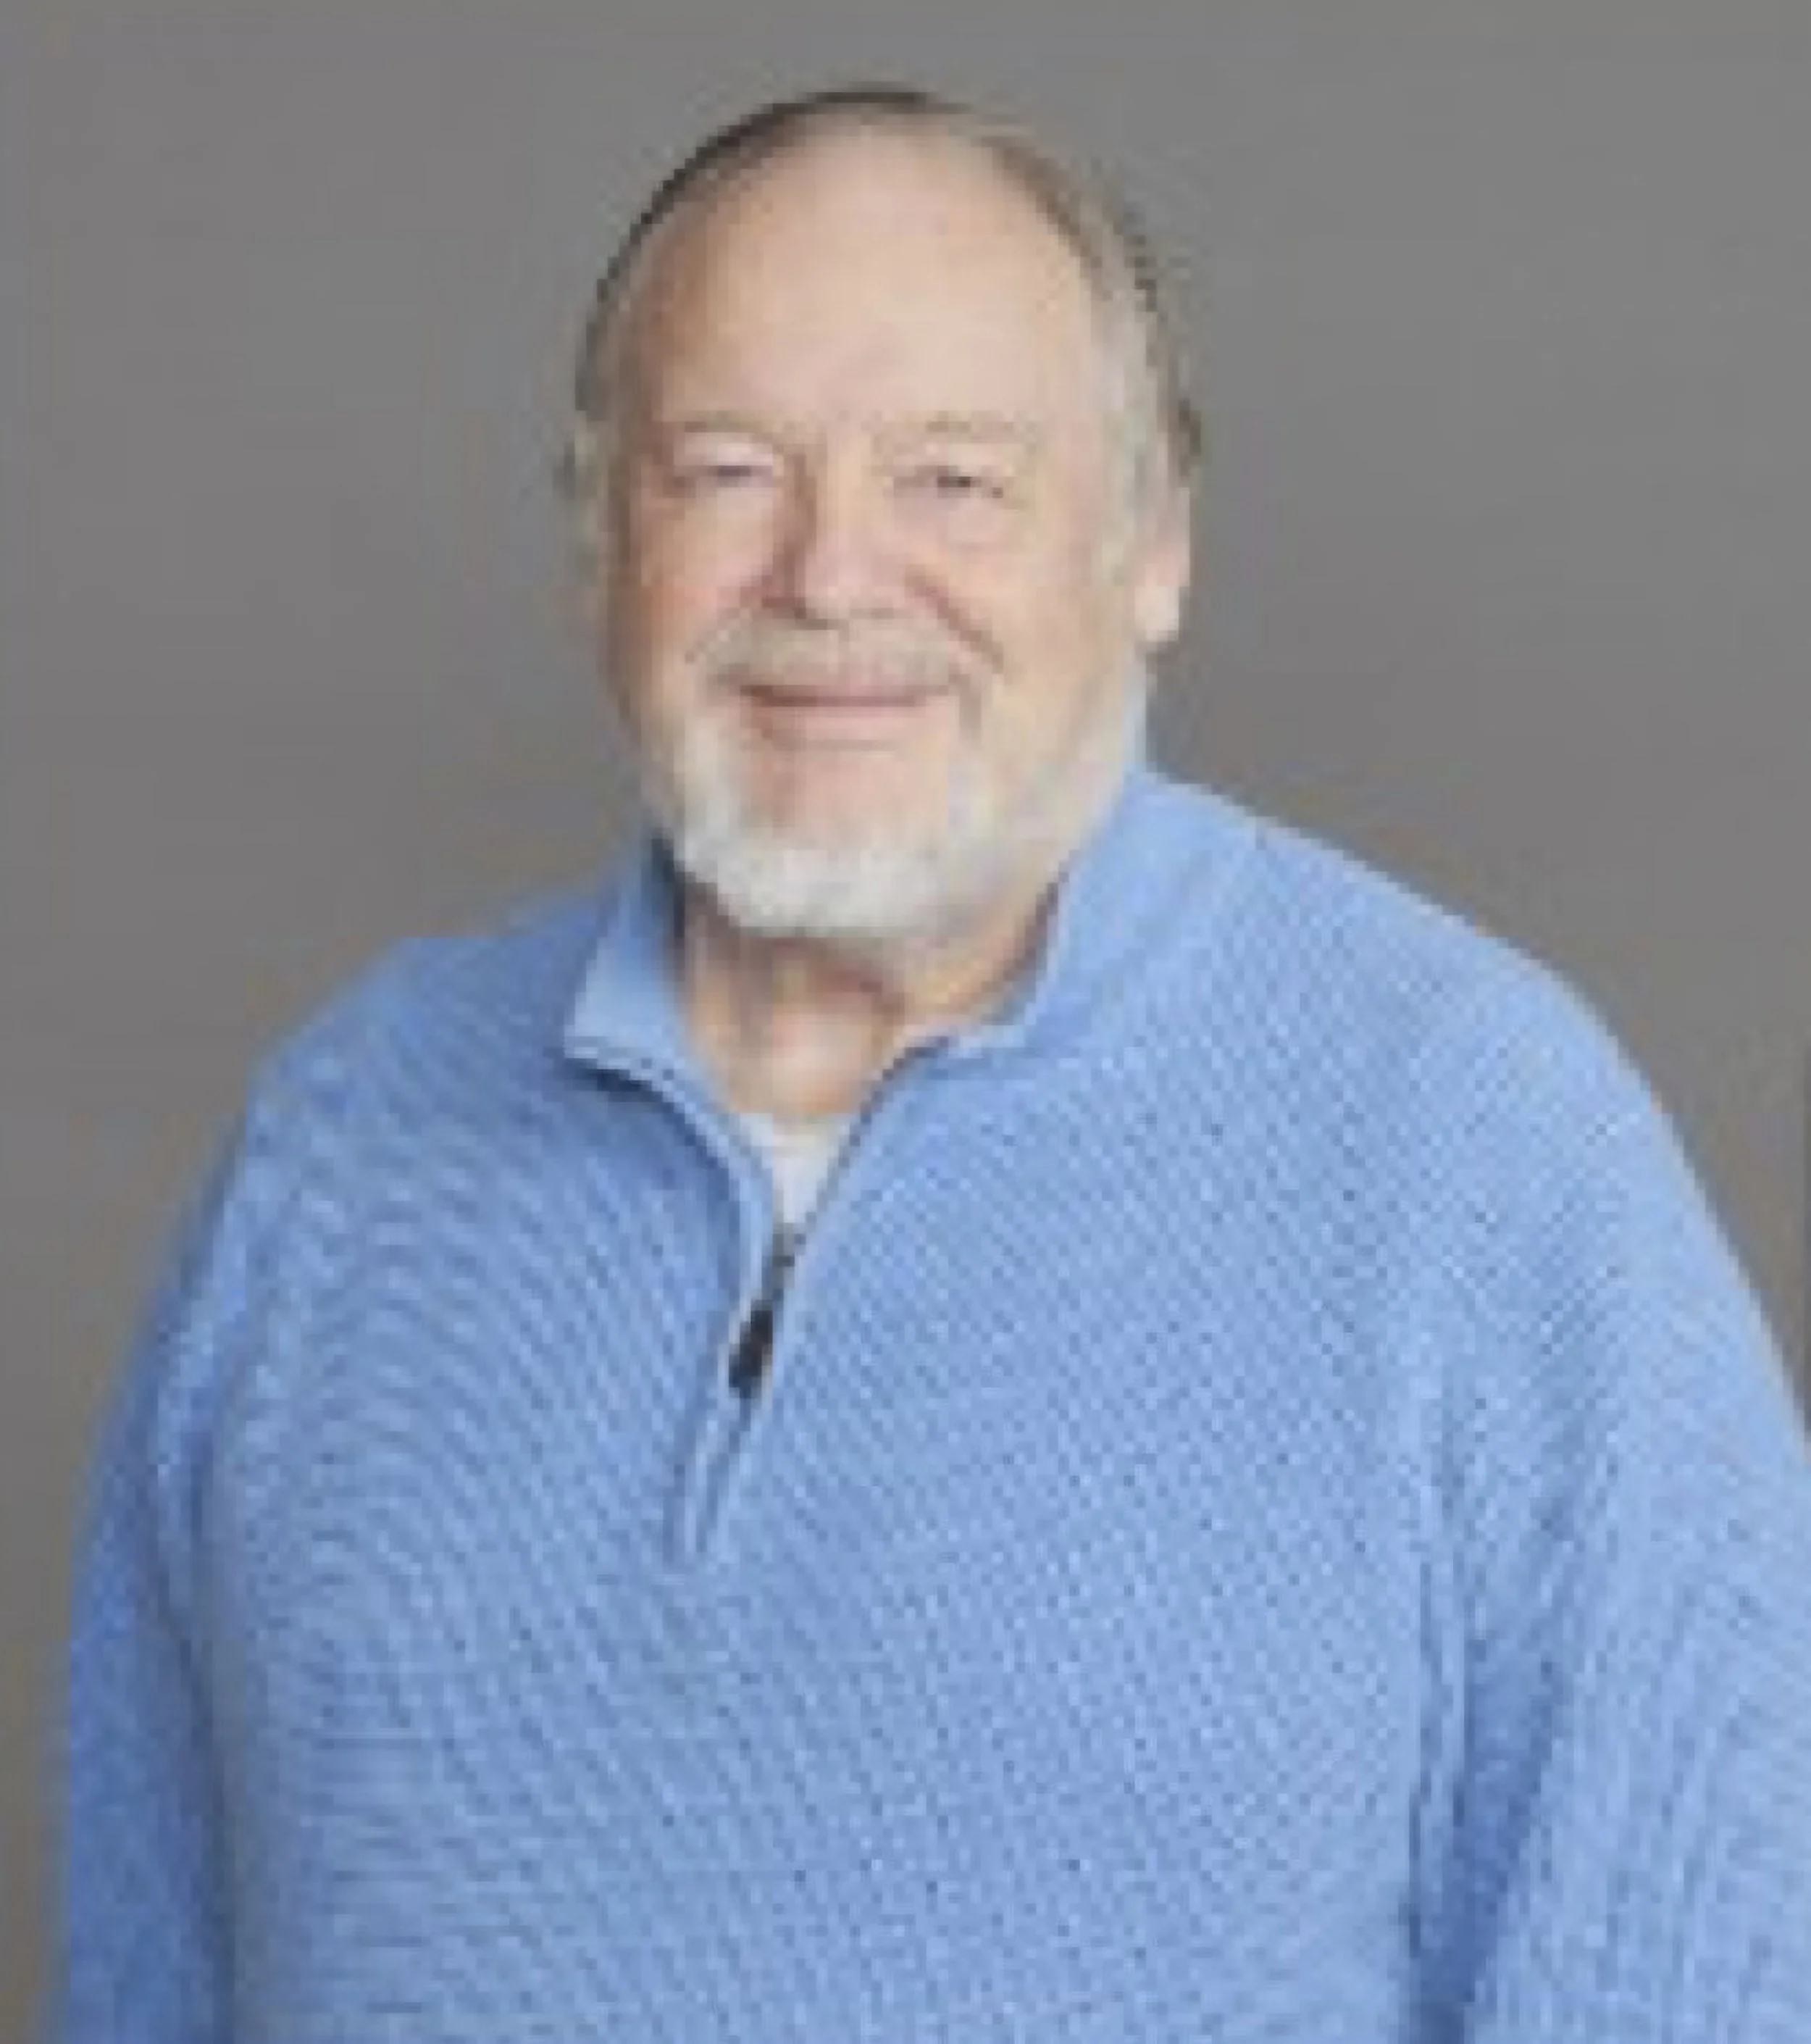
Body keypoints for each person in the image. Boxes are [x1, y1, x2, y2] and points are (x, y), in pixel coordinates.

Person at [51, 83, 1811, 2043]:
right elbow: (143, 1974)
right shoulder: (335, 1150)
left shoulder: (1485, 1157)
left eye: (953, 480)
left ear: (1151, 548)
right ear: (595, 545)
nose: (829, 575)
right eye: (723, 469)